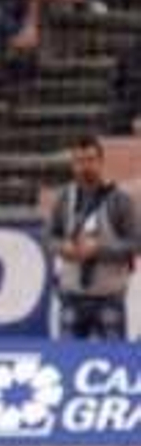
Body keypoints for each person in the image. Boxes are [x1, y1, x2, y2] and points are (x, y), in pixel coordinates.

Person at [44, 136, 139, 339]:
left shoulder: (119, 200)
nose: (85, 167)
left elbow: (135, 243)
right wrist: (63, 248)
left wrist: (99, 249)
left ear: (101, 162)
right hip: (71, 295)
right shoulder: (64, 198)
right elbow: (49, 236)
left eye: (90, 160)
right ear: (72, 165)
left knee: (113, 360)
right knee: (67, 361)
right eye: (79, 161)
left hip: (109, 296)